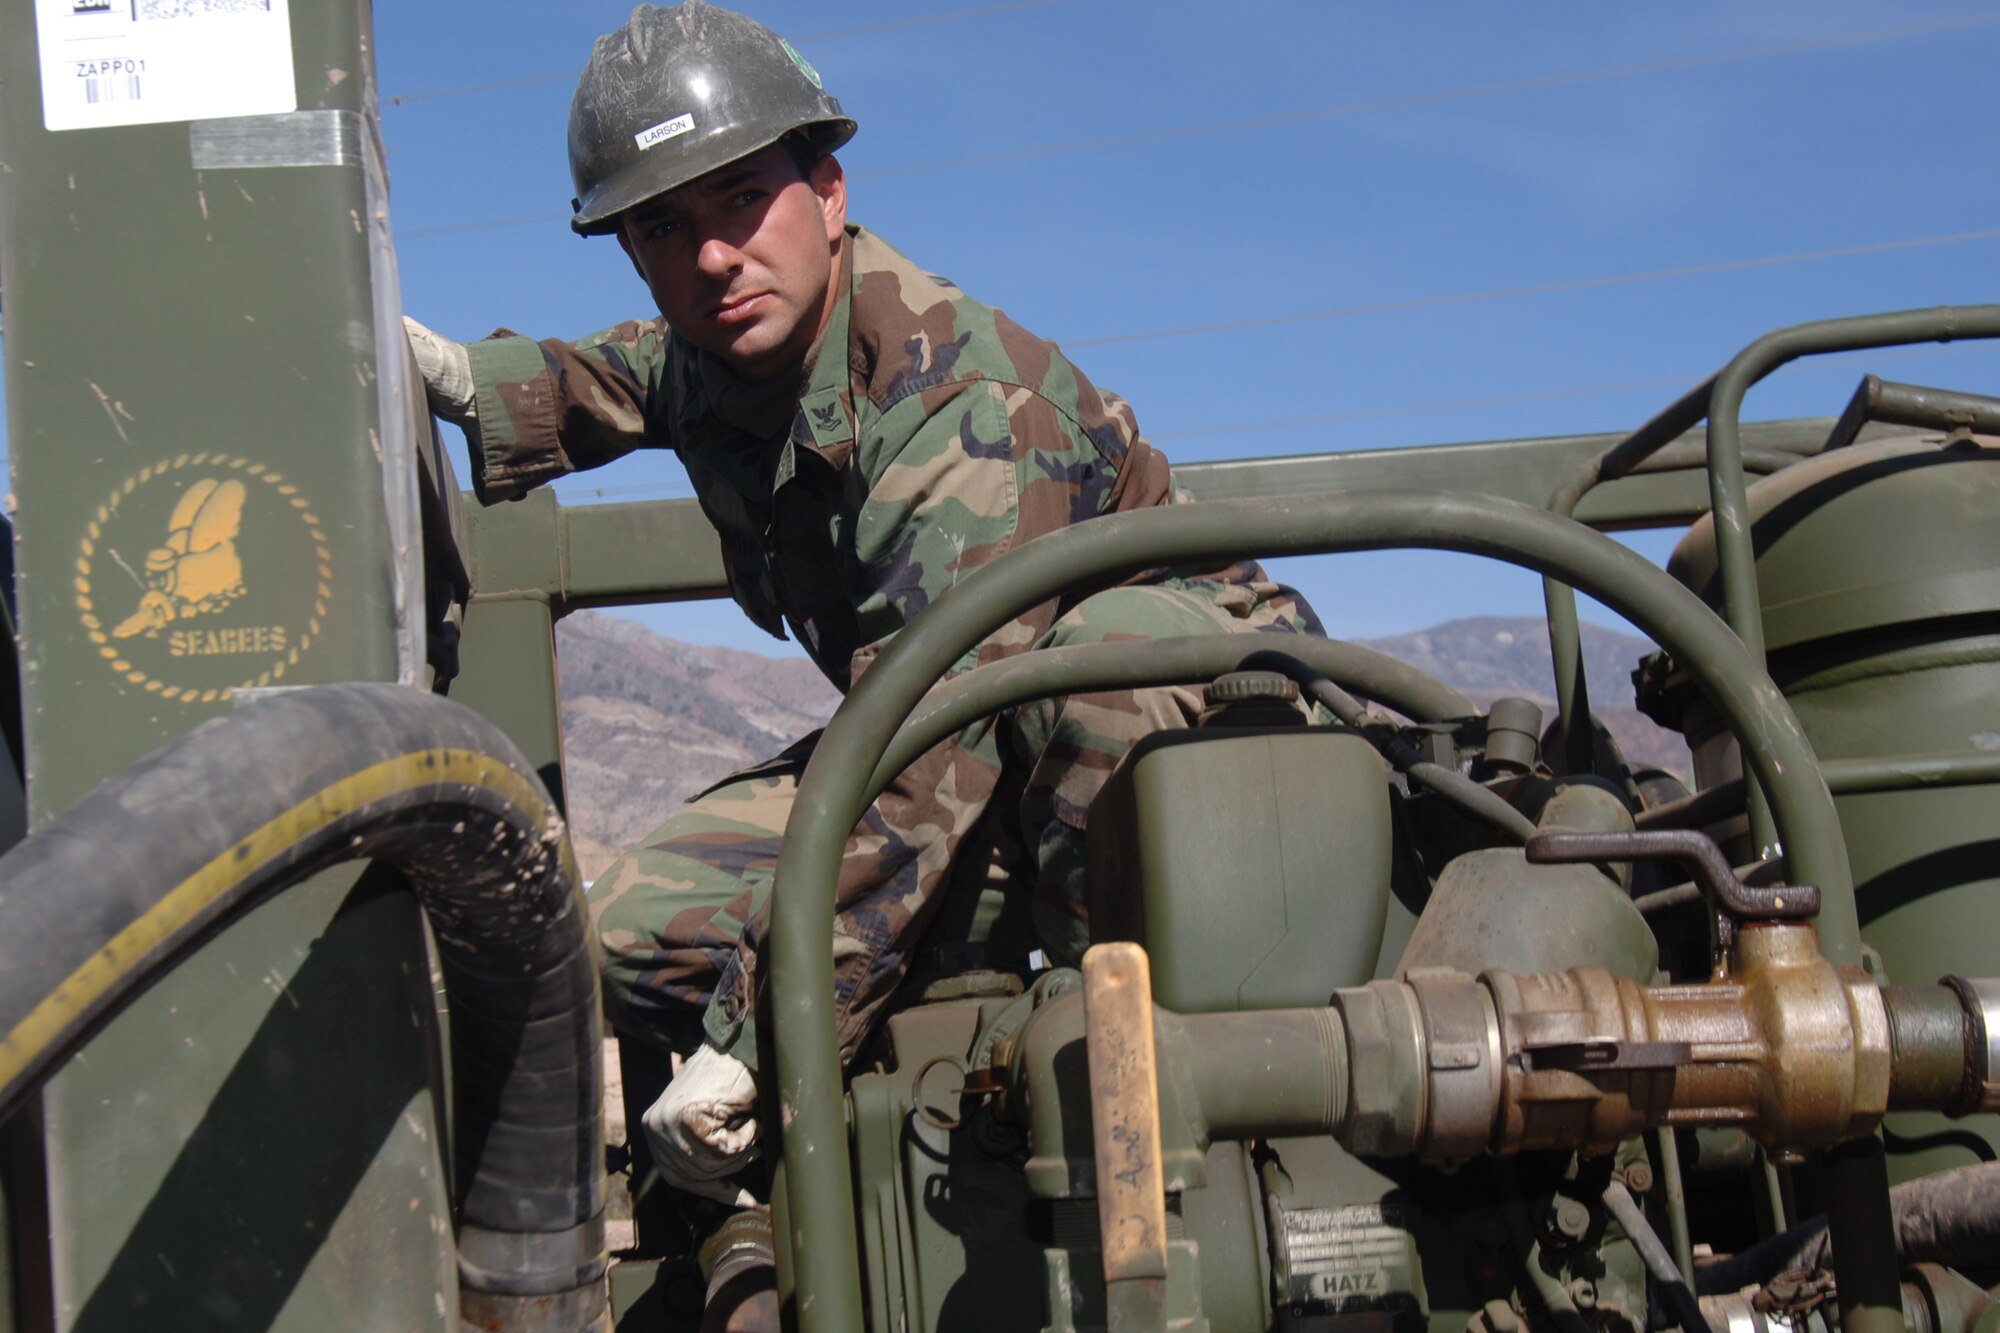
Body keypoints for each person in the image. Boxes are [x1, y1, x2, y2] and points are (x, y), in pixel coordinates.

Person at [408, 0, 1321, 1278]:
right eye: (660, 227)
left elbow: (935, 728)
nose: (713, 255)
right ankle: (918, 954)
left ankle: (1120, 1068)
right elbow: (611, 378)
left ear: (827, 192)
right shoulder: (722, 351)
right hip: (954, 748)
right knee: (615, 928)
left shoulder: (957, 404)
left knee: (1095, 685)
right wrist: (453, 379)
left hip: (1189, 744)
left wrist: (759, 1028)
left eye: (741, 199)